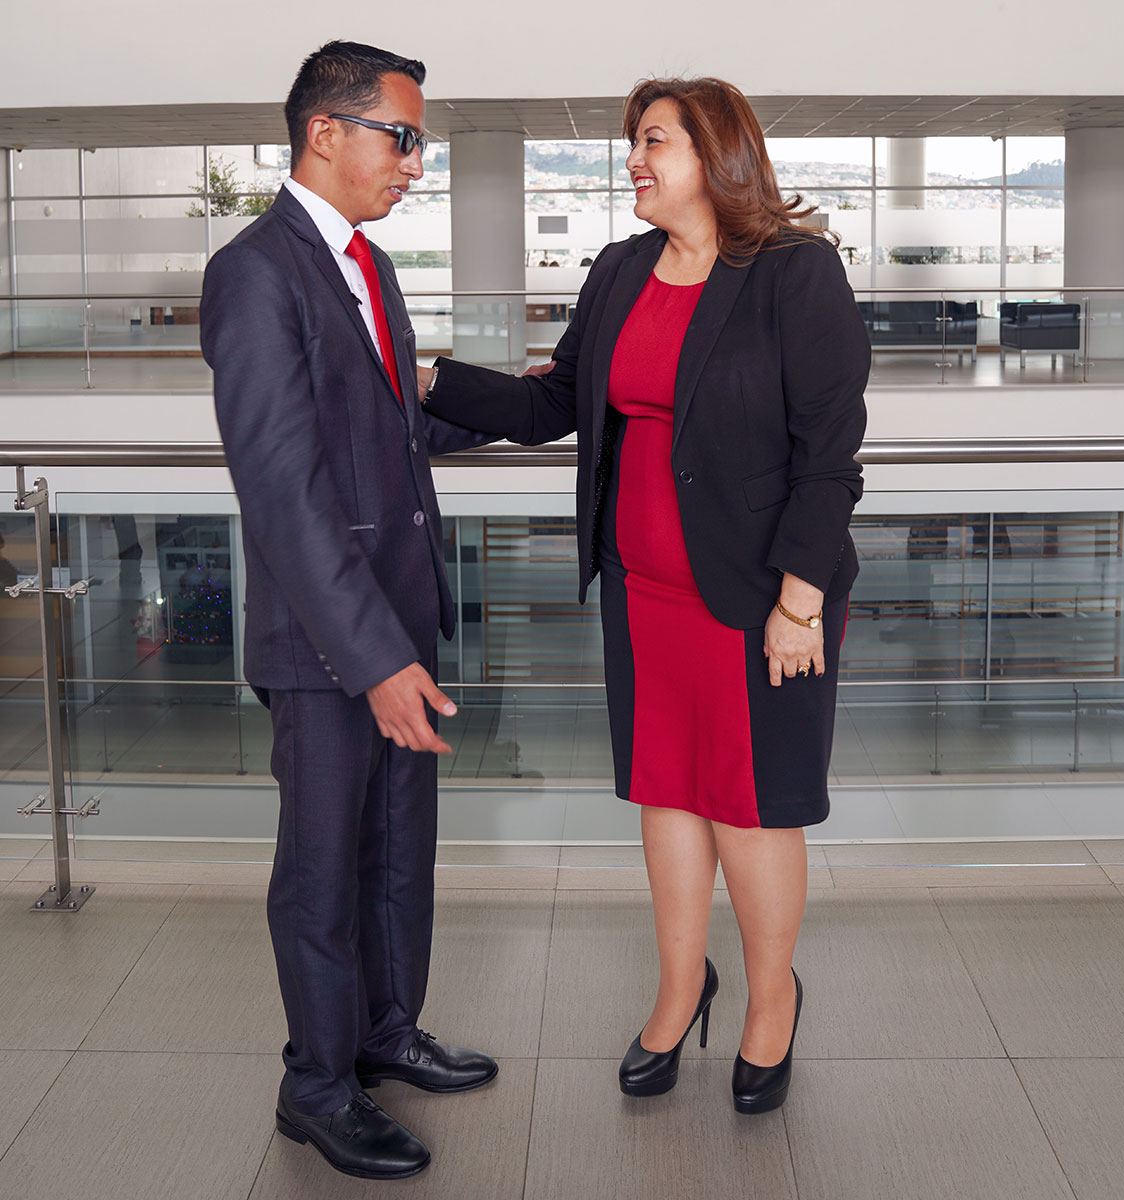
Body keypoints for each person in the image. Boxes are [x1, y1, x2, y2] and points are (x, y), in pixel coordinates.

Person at [420, 76, 869, 1115]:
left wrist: (799, 602)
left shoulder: (795, 272)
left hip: (759, 597)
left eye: (653, 140)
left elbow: (830, 456)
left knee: (750, 808)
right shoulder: (622, 269)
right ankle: (678, 990)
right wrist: (426, 377)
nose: (633, 159)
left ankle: (771, 1000)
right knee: (667, 794)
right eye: (635, 142)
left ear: (715, 153)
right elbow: (551, 404)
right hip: (642, 591)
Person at [200, 40, 496, 1181]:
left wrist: (548, 406)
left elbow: (389, 426)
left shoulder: (368, 265)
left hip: (397, 624)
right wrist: (372, 658)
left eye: (420, 142)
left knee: (397, 856)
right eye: (403, 138)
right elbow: (283, 489)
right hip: (329, 645)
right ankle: (316, 1087)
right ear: (325, 131)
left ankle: (383, 1033)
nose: (417, 163)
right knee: (323, 874)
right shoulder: (256, 273)